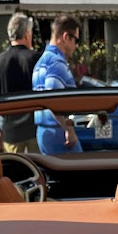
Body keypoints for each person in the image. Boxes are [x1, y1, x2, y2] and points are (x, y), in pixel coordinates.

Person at [0, 13, 40, 153]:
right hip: (35, 130)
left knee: (15, 166)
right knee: (39, 165)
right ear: (27, 34)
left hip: (11, 133)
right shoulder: (36, 59)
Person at [32, 13, 83, 155]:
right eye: (76, 40)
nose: (76, 46)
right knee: (81, 168)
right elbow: (53, 100)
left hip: (43, 131)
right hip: (59, 132)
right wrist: (69, 129)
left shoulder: (40, 62)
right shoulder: (56, 62)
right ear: (66, 37)